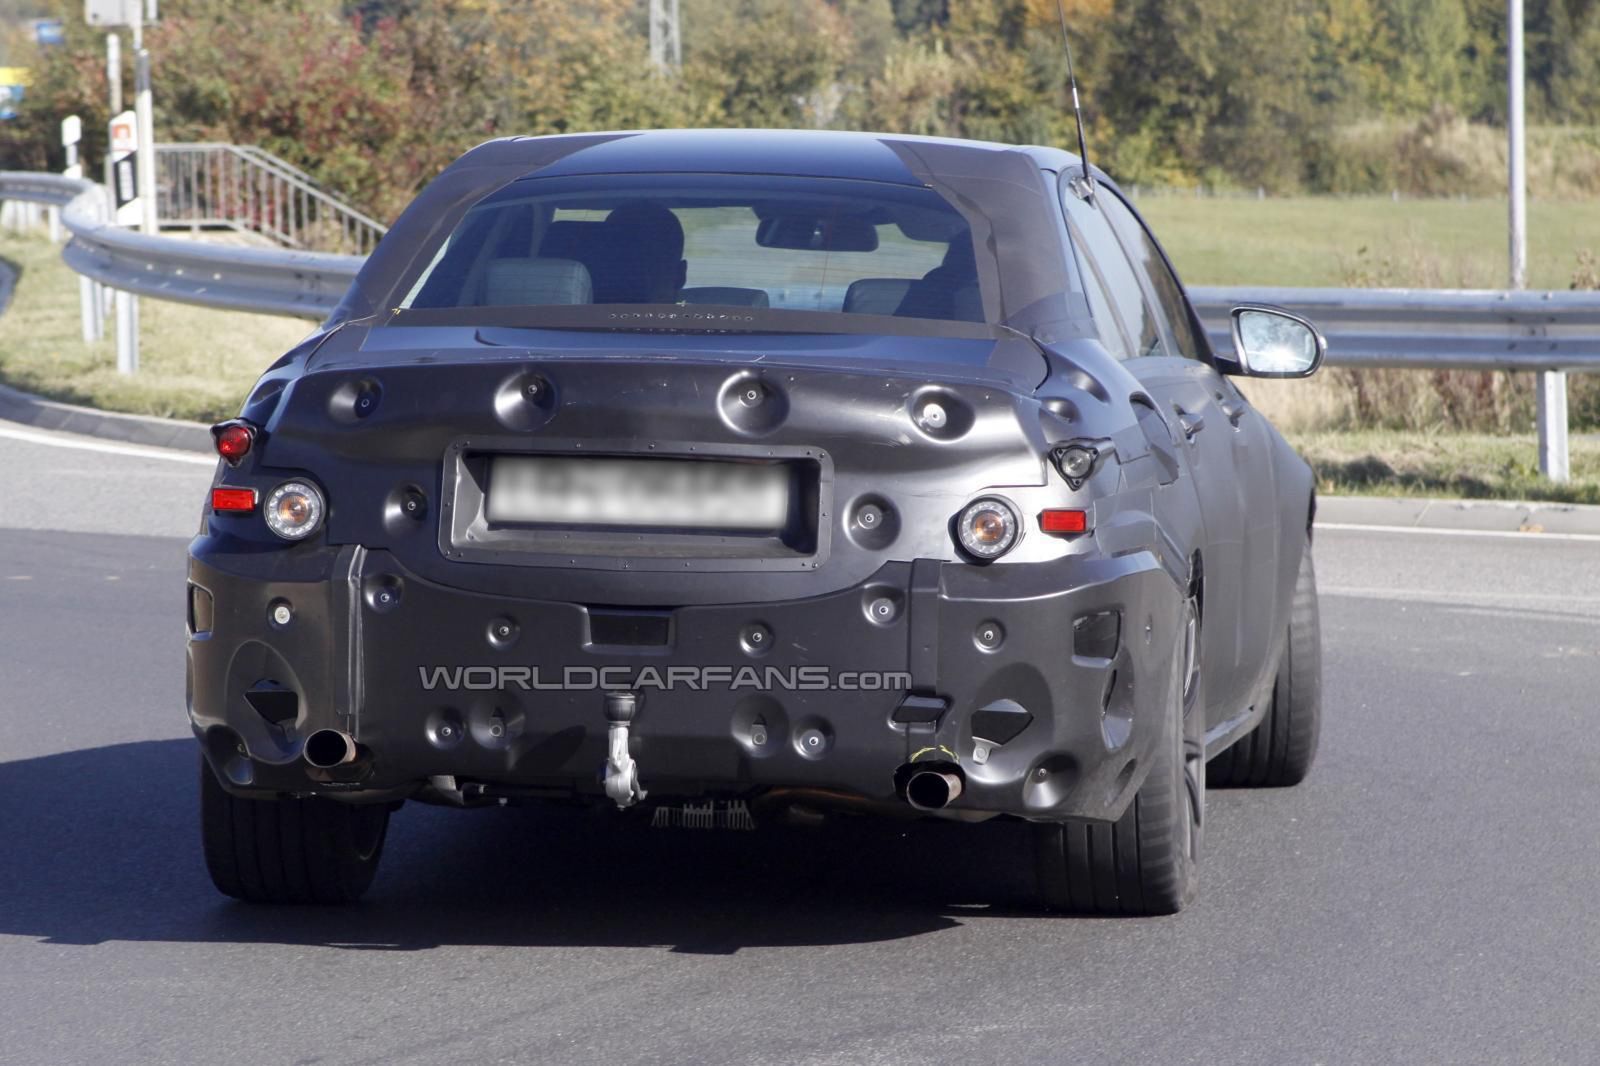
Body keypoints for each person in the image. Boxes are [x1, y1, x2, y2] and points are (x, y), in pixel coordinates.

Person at [594, 202, 687, 304]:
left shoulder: (581, 310)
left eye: (651, 267)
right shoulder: (698, 314)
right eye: (626, 267)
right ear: (680, 277)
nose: (636, 280)